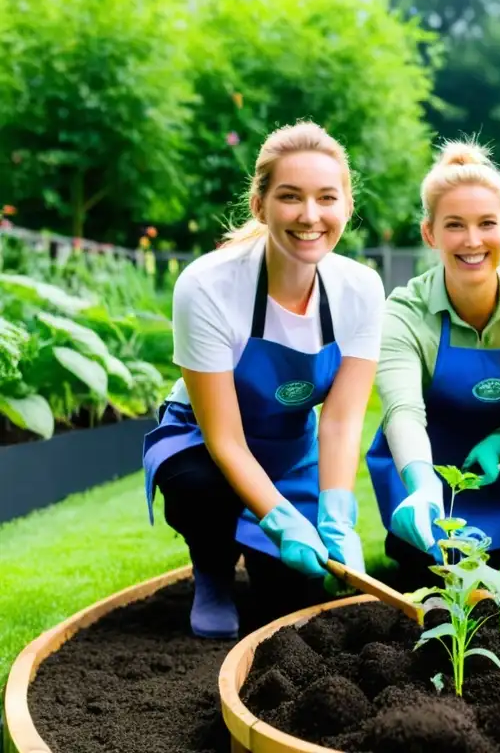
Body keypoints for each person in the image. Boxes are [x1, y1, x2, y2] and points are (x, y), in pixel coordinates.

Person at [142, 121, 384, 639]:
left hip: (289, 446)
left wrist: (336, 513)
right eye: (290, 197)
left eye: (326, 198)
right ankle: (211, 570)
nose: (310, 215)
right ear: (260, 204)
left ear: (346, 206)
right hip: (202, 439)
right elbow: (224, 438)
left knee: (298, 594)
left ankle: (261, 557)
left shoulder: (361, 289)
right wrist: (279, 518)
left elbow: (340, 423)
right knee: (200, 491)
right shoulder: (207, 285)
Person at [365, 140, 500, 588]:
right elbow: (402, 411)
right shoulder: (402, 312)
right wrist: (423, 488)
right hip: (428, 460)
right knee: (435, 573)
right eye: (454, 225)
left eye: (486, 224)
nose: (472, 240)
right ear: (430, 234)